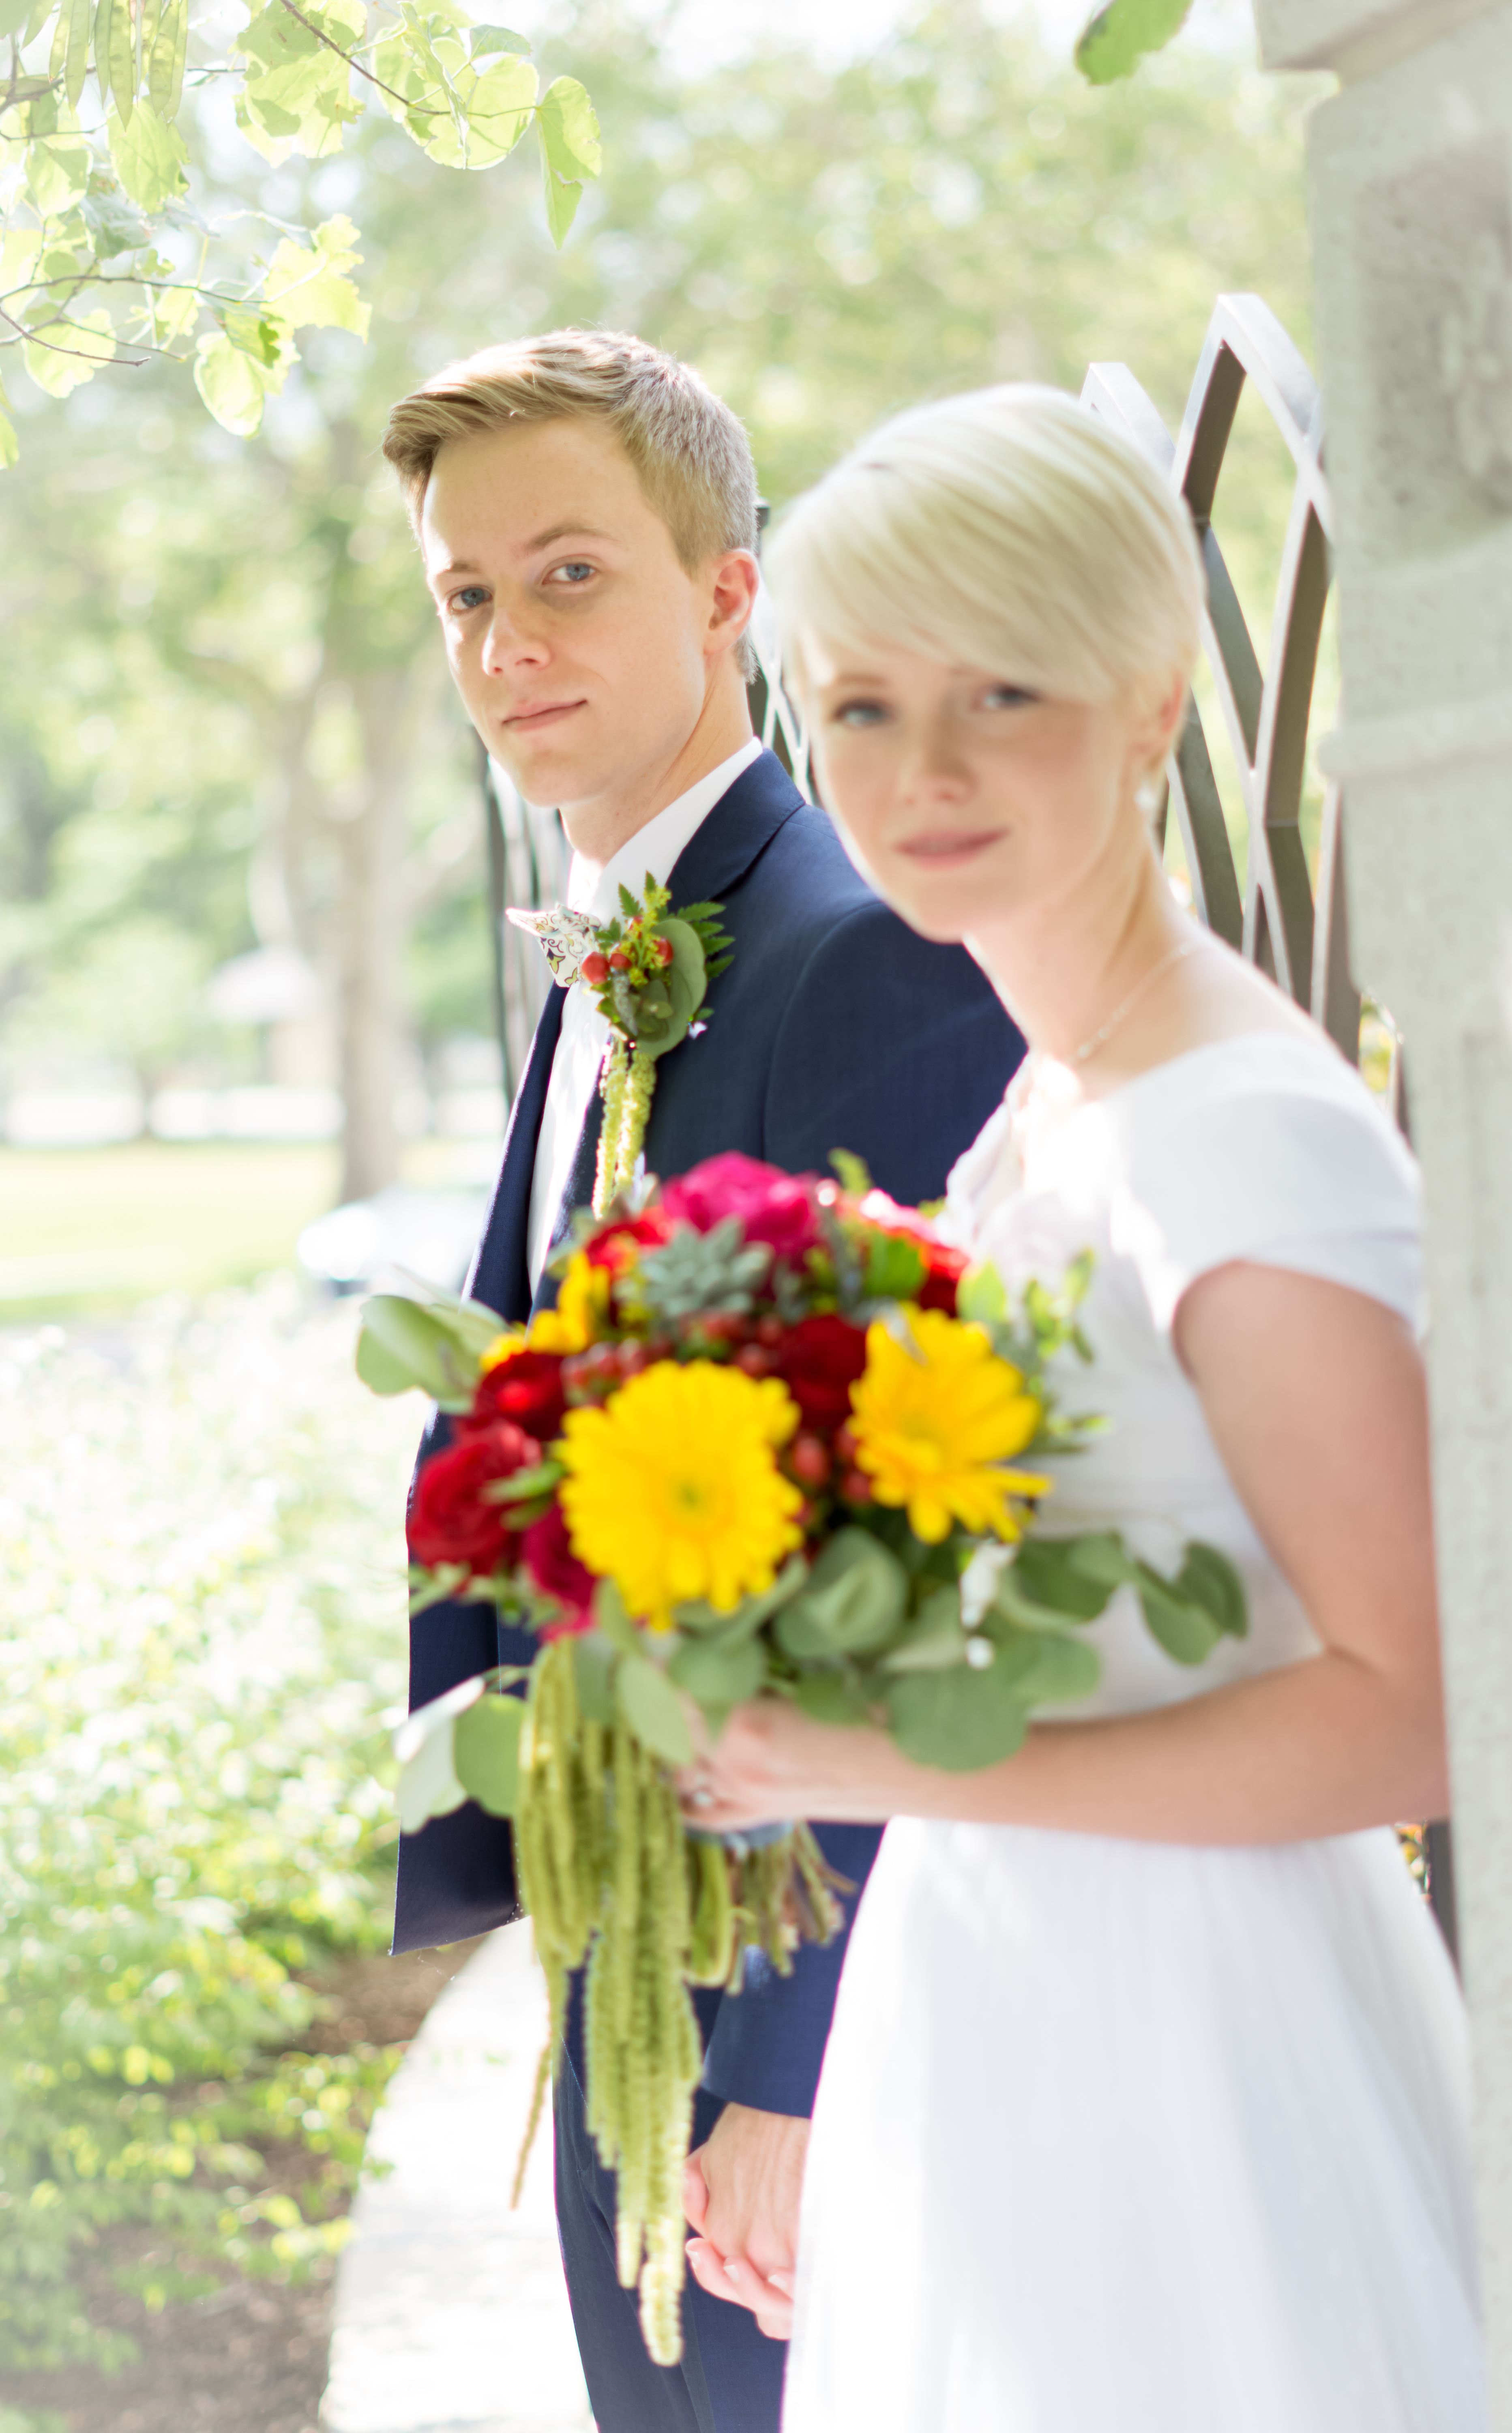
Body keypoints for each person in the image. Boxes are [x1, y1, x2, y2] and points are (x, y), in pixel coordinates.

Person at [676, 385, 1488, 2432]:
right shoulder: (1064, 1084)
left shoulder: (1235, 1137)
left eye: (1000, 694)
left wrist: (882, 1764)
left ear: (1144, 706)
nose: (919, 773)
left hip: (1198, 2063)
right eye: (856, 708)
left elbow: (1418, 1708)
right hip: (1009, 2002)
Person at [378, 331, 1024, 2433]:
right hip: (615, 1956)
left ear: (727, 594)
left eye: (570, 575)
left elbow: (929, 1554)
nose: (506, 642)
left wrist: (791, 2074)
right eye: (467, 594)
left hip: (780, 2017)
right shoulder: (595, 963)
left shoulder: (859, 964)